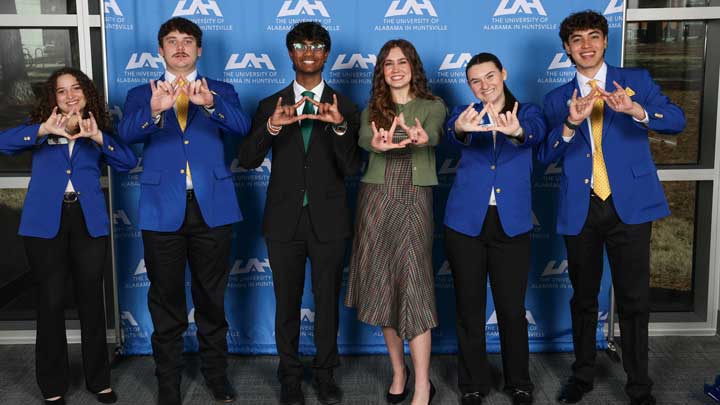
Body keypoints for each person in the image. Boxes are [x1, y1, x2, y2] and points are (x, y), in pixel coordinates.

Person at [538, 10, 685, 405]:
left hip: (630, 208)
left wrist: (635, 111)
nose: (586, 45)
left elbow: (676, 120)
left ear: (604, 41)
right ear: (567, 49)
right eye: (576, 40)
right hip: (581, 208)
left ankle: (639, 386)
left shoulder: (636, 81)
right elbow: (544, 154)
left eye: (593, 37)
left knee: (635, 299)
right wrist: (569, 125)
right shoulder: (556, 99)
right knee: (583, 299)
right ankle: (582, 375)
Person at [117, 17, 251, 405]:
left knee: (211, 298)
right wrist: (154, 111)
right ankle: (168, 384)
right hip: (162, 210)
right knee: (166, 299)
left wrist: (210, 104)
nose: (180, 47)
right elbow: (125, 135)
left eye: (187, 41)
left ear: (199, 49)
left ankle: (216, 377)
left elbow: (242, 126)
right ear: (160, 50)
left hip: (214, 210)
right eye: (171, 41)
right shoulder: (142, 93)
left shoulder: (221, 89)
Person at [237, 21, 360, 405]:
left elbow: (353, 167)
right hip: (283, 221)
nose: (308, 51)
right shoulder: (268, 105)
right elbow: (247, 158)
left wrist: (339, 128)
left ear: (326, 54)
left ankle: (325, 375)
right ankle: (289, 375)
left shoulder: (347, 106)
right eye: (300, 45)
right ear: (290, 53)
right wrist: (273, 126)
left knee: (327, 304)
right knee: (286, 304)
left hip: (330, 222)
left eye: (317, 45)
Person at [0, 67, 137, 404]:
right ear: (53, 98)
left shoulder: (96, 128)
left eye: (75, 88)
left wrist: (98, 138)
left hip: (87, 222)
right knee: (50, 302)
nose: (69, 95)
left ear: (86, 94)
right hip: (44, 223)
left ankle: (98, 380)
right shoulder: (42, 129)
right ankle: (52, 384)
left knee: (92, 301)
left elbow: (128, 161)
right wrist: (42, 130)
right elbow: (4, 144)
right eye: (61, 91)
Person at [344, 38, 446, 405]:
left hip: (414, 197)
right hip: (376, 198)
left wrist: (419, 137)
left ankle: (423, 383)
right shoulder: (373, 106)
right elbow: (364, 138)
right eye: (388, 63)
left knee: (414, 286)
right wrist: (378, 143)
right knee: (385, 285)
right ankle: (398, 371)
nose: (396, 68)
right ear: (381, 72)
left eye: (402, 61)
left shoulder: (433, 105)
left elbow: (433, 132)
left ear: (413, 66)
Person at [444, 52, 546, 405]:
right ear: (469, 85)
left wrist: (514, 129)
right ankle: (472, 382)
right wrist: (461, 128)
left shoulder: (528, 111)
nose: (484, 85)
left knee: (511, 308)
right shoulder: (465, 114)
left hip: (511, 224)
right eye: (475, 81)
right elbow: (452, 132)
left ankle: (519, 381)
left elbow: (533, 133)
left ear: (503, 73)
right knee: (469, 307)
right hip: (465, 225)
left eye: (490, 76)